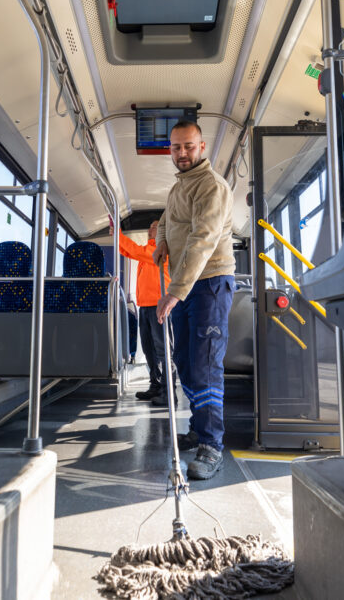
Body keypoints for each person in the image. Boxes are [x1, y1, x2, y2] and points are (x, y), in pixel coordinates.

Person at [153, 120, 235, 480]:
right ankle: (198, 427)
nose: (181, 153)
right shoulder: (179, 187)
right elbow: (168, 220)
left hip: (210, 282)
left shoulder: (211, 187)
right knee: (183, 359)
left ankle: (212, 446)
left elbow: (203, 238)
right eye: (175, 148)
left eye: (188, 146)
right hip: (187, 285)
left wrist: (174, 290)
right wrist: (161, 244)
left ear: (202, 147)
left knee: (204, 363)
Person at [118, 221, 176, 403]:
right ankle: (156, 385)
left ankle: (169, 392)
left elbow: (133, 250)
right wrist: (117, 237)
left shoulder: (163, 250)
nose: (151, 229)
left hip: (160, 305)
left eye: (156, 226)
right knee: (149, 349)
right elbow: (128, 251)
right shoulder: (147, 250)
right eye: (149, 226)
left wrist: (118, 235)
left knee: (164, 349)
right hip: (144, 306)